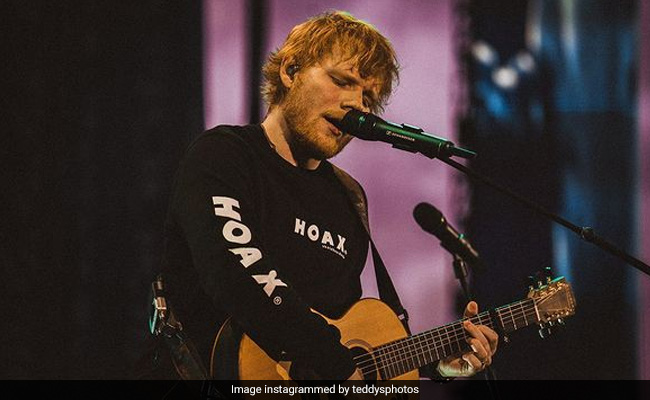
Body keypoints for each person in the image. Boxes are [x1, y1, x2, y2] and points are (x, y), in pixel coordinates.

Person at [141, 11, 498, 382]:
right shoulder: (223, 155)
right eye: (342, 81)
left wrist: (436, 365)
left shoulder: (347, 199)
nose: (356, 104)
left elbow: (346, 338)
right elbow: (236, 272)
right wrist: (336, 363)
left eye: (368, 97)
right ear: (290, 71)